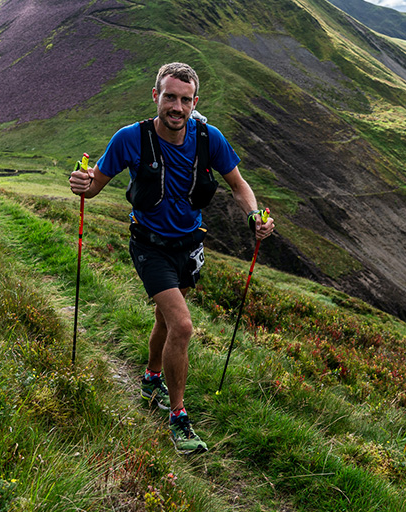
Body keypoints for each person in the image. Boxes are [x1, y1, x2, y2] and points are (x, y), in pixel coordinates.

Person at [69, 62, 274, 454]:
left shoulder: (209, 139)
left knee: (165, 320)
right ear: (156, 97)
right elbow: (92, 186)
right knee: (182, 325)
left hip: (189, 246)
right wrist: (80, 181)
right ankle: (178, 418)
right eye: (169, 97)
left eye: (184, 99)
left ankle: (150, 377)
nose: (176, 107)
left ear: (194, 102)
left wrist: (253, 217)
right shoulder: (130, 139)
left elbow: (238, 184)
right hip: (148, 245)